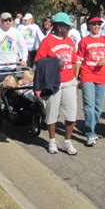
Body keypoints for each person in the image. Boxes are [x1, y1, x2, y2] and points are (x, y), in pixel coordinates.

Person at [35, 12, 79, 155]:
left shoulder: (69, 41)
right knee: (52, 114)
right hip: (54, 83)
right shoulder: (47, 41)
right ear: (59, 27)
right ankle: (52, 141)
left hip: (69, 81)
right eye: (67, 27)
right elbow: (38, 62)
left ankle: (67, 142)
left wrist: (75, 78)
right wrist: (54, 63)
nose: (69, 30)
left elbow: (73, 61)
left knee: (71, 113)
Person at [77, 16, 105, 146]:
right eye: (93, 24)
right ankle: (90, 132)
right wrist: (76, 76)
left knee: (98, 108)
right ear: (89, 26)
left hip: (102, 76)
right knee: (89, 105)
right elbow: (79, 59)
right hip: (88, 74)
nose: (96, 26)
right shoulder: (84, 41)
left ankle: (91, 126)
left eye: (98, 24)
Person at [0, 12, 28, 81]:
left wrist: (24, 59)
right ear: (1, 21)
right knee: (3, 88)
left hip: (13, 66)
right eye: (6, 20)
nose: (8, 22)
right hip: (0, 67)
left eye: (10, 20)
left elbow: (23, 46)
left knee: (12, 89)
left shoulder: (16, 32)